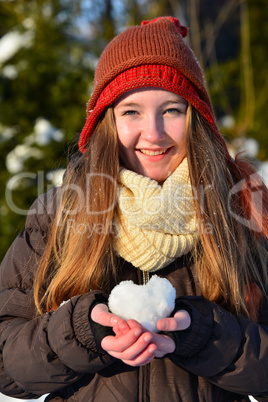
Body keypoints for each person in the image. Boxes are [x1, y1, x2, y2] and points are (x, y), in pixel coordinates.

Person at [0, 16, 268, 402]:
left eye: (172, 110)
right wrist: (78, 334)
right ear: (106, 123)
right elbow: (6, 366)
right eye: (131, 111)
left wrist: (207, 335)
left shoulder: (241, 212)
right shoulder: (59, 216)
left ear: (196, 119)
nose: (154, 133)